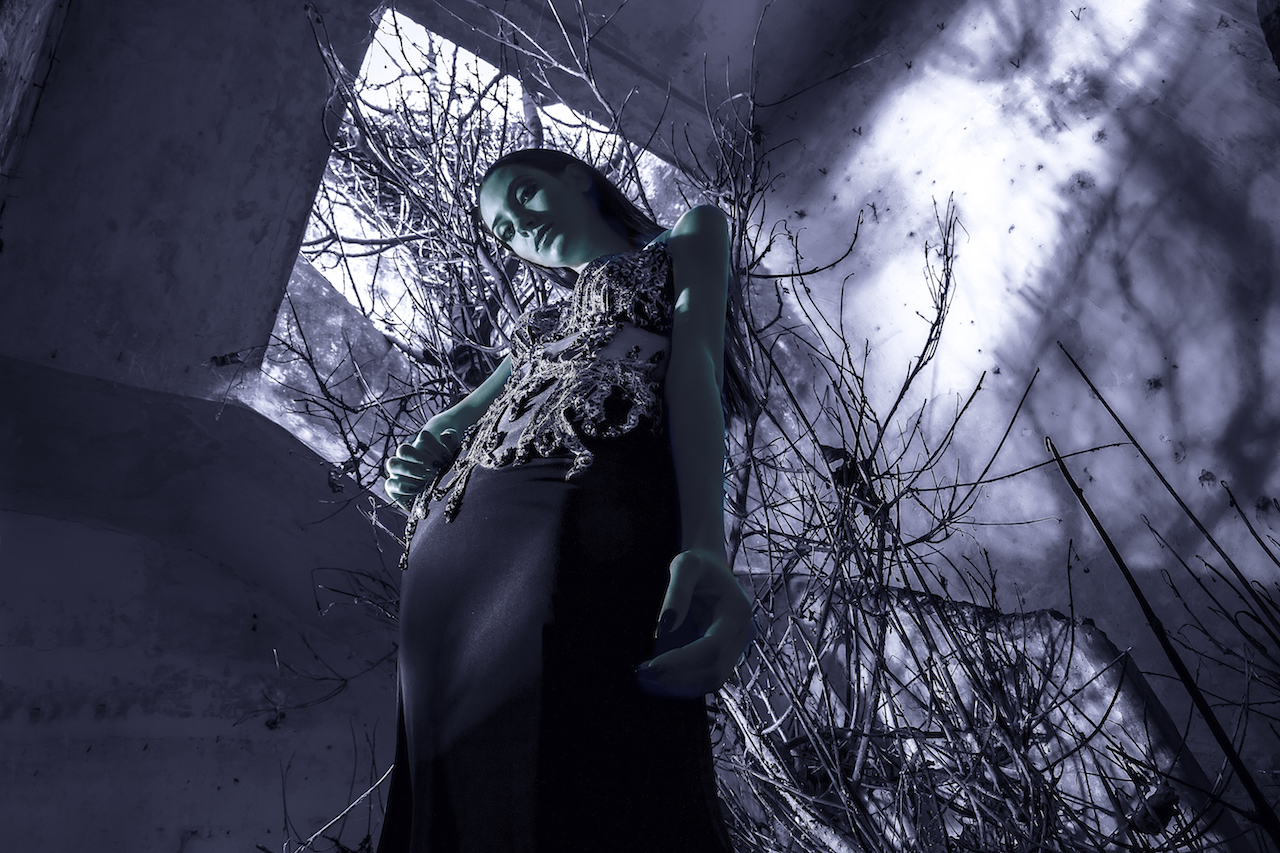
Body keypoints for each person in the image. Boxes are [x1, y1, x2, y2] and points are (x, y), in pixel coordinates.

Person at [377, 147, 755, 852]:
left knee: (578, 765)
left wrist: (707, 540)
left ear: (577, 177)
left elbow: (696, 363)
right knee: (449, 793)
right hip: (444, 548)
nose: (518, 226)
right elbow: (463, 416)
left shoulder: (689, 236)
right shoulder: (544, 322)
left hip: (573, 503)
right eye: (503, 229)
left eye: (524, 195)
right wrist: (428, 444)